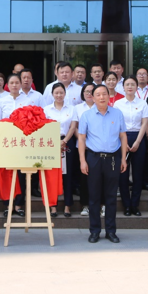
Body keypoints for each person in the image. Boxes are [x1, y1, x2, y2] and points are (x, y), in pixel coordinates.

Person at [78, 85, 128, 243]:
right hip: (93, 158)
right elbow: (81, 139)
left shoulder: (117, 113)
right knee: (94, 196)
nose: (101, 97)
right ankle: (94, 231)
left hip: (113, 158)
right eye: (98, 94)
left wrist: (123, 158)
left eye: (104, 94)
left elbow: (123, 136)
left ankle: (111, 231)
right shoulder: (86, 115)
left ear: (109, 96)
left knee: (111, 196)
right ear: (93, 97)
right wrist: (82, 161)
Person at [0, 73, 36, 216]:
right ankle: (8, 205)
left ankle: (18, 205)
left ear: (21, 84)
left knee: (21, 175)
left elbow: (32, 122)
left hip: (23, 143)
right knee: (8, 174)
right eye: (11, 83)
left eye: (17, 82)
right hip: (6, 143)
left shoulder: (28, 100)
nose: (14, 85)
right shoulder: (2, 101)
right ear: (7, 85)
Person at [114, 76, 148, 217]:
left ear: (136, 87)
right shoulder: (118, 104)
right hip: (122, 137)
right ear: (123, 87)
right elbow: (116, 123)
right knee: (123, 173)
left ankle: (135, 204)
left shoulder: (143, 103)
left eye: (132, 84)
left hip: (138, 138)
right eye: (127, 84)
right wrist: (124, 141)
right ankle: (126, 205)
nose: (130, 87)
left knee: (138, 173)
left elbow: (145, 123)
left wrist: (138, 142)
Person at [43, 83, 77, 217]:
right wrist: (55, 142)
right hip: (51, 143)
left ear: (65, 94)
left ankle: (67, 206)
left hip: (67, 142)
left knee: (68, 175)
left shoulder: (72, 109)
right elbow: (44, 127)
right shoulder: (46, 110)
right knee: (52, 176)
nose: (59, 95)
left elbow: (73, 127)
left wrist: (64, 141)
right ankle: (53, 206)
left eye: (61, 93)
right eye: (56, 93)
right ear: (52, 94)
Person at [73, 83, 95, 216]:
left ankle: (100, 205)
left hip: (97, 147)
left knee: (98, 177)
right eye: (86, 91)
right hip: (82, 147)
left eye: (92, 91)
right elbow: (74, 126)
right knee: (84, 177)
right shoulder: (78, 108)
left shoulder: (101, 107)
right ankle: (85, 205)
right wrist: (83, 141)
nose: (89, 94)